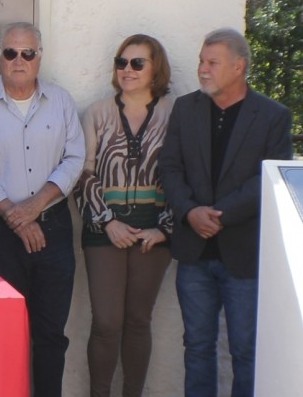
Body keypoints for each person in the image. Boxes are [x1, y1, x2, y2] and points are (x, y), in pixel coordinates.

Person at [159, 28, 293, 397]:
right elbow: (169, 168)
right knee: (197, 348)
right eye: (202, 61)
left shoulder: (272, 116)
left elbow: (268, 177)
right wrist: (189, 213)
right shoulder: (186, 109)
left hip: (244, 255)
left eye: (212, 63)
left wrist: (216, 215)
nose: (203, 69)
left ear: (239, 67)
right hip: (194, 252)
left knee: (246, 352)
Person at [0, 22, 84, 397]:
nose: (19, 60)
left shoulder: (61, 101)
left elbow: (74, 158)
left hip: (54, 229)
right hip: (0, 233)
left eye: (27, 53)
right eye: (10, 52)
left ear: (39, 57)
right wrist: (15, 216)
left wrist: (34, 206)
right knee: (3, 331)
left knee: (50, 335)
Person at [74, 34, 174, 396]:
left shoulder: (174, 113)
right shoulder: (98, 113)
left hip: (155, 227)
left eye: (137, 63)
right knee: (106, 322)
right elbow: (82, 173)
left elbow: (185, 174)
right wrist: (106, 220)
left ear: (155, 68)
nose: (127, 70)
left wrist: (165, 229)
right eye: (121, 62)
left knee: (137, 321)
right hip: (105, 225)